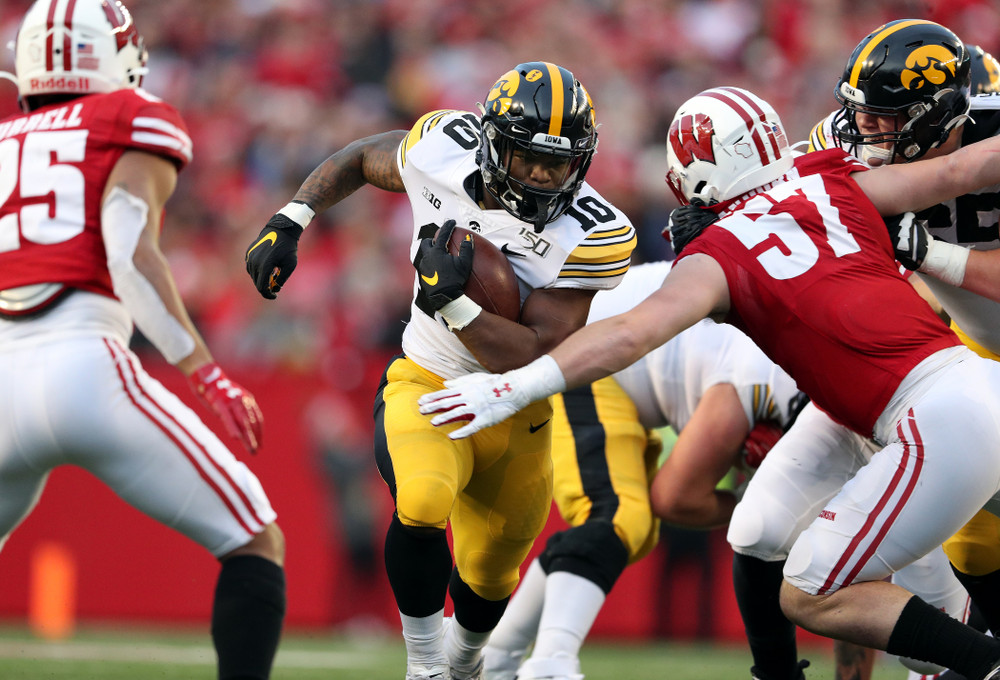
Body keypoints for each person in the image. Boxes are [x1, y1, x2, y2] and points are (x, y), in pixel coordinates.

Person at [416, 83, 1000, 680]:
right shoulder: (834, 182)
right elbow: (965, 165)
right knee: (758, 529)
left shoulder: (719, 254)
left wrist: (510, 387)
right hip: (958, 386)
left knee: (813, 592)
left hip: (929, 417)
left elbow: (630, 333)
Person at [244, 61, 635, 680]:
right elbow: (362, 157)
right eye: (526, 156)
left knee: (490, 574)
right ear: (489, 142)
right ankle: (424, 664)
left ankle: (460, 664)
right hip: (430, 377)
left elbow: (539, 352)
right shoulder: (440, 151)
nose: (539, 174)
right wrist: (291, 219)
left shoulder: (592, 233)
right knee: (421, 502)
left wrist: (454, 302)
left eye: (555, 163)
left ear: (579, 163)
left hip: (518, 404)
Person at [0, 2, 285, 679]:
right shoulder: (128, 115)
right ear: (113, 54)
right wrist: (205, 372)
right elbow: (127, 252)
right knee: (254, 539)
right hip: (85, 362)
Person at [732, 23, 1000, 680]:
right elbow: (786, 200)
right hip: (965, 358)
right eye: (863, 114)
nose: (867, 130)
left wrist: (927, 251)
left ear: (941, 116)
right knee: (973, 541)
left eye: (886, 118)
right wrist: (724, 214)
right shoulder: (845, 139)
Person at [482, 260, 804, 680]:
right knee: (619, 517)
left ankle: (496, 660)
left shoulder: (784, 377)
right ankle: (549, 662)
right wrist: (758, 503)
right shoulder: (765, 380)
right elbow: (676, 497)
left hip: (613, 365)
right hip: (585, 350)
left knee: (623, 526)